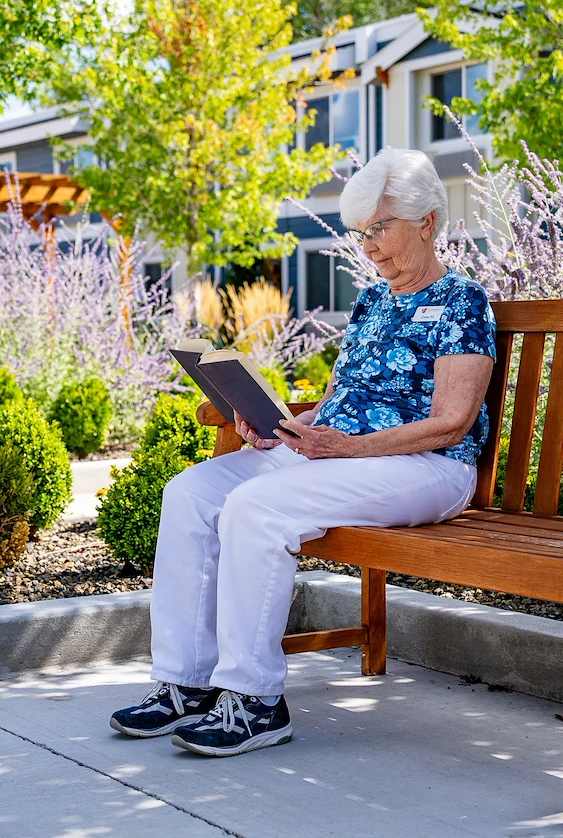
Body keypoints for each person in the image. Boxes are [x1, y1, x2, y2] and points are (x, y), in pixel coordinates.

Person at [110, 147, 496, 757]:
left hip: (426, 467)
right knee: (190, 492)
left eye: (379, 229)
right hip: (339, 454)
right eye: (360, 233)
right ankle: (185, 684)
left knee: (257, 505)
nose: (368, 247)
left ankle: (256, 701)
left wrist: (349, 446)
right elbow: (344, 400)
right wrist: (282, 425)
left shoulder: (462, 303)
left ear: (427, 221)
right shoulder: (372, 303)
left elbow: (452, 423)